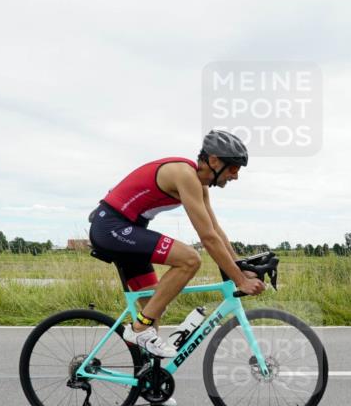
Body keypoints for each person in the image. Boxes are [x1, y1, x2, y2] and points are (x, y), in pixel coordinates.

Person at [89, 130, 265, 364]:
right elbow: (207, 239)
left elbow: (214, 230)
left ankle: (150, 383)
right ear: (214, 161)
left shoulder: (199, 184)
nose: (235, 176)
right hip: (112, 227)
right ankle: (138, 329)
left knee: (153, 307)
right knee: (190, 259)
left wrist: (240, 266)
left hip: (127, 230)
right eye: (233, 168)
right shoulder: (185, 175)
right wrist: (240, 281)